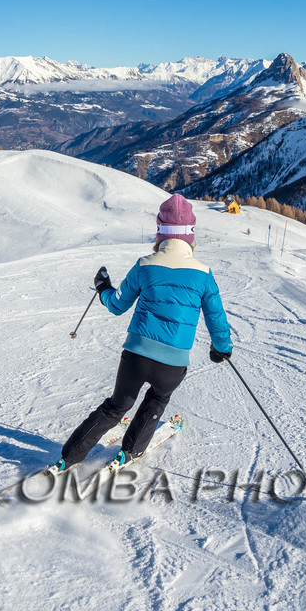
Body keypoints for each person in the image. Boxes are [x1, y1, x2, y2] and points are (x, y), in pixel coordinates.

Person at [54, 193, 233, 470]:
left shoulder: (145, 265)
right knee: (157, 400)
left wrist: (103, 288)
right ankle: (131, 450)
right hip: (173, 363)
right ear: (190, 236)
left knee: (116, 407)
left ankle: (70, 456)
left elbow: (116, 305)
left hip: (136, 356)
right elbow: (216, 318)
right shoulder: (203, 274)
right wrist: (221, 348)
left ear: (160, 233)